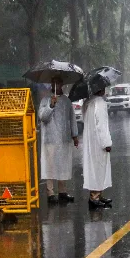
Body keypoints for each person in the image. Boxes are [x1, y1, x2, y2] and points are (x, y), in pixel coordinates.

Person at [39, 76, 79, 204]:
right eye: (53, 82)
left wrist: (75, 135)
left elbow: (72, 119)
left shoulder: (67, 101)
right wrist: (51, 105)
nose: (56, 84)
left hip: (63, 139)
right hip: (50, 139)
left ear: (62, 84)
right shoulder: (45, 100)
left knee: (62, 164)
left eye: (58, 82)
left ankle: (62, 192)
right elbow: (43, 117)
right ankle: (51, 193)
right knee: (50, 165)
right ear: (51, 84)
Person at [82, 88, 113, 209]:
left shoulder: (88, 102)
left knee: (94, 167)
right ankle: (94, 197)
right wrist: (107, 143)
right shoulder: (100, 103)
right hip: (99, 141)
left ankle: (98, 194)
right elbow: (102, 125)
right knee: (99, 167)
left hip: (90, 139)